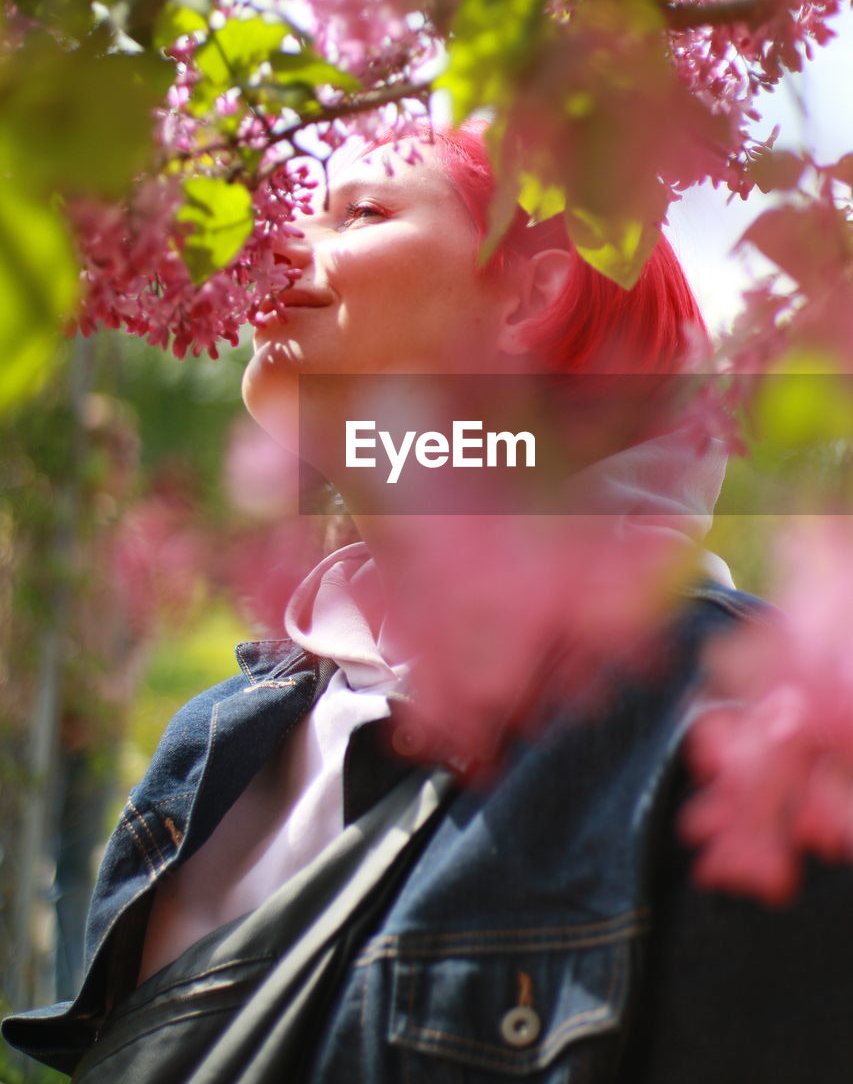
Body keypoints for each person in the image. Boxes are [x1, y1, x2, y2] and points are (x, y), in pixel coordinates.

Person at [5, 125, 853, 1083]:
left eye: (360, 212)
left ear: (535, 290)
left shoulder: (738, 728)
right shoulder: (216, 745)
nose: (269, 245)